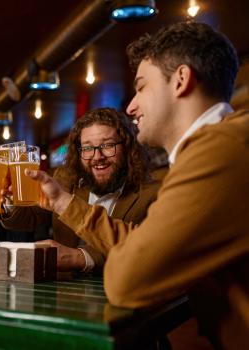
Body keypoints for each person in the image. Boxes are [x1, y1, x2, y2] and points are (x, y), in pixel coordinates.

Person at [24, 22, 248, 349]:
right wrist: (62, 203)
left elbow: (126, 281)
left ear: (181, 81)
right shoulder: (226, 142)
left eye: (141, 87)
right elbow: (147, 244)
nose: (131, 107)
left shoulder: (219, 150)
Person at [0, 108, 163, 272]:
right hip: (64, 292)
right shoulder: (66, 180)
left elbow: (146, 249)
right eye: (87, 148)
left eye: (107, 145)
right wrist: (9, 202)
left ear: (127, 148)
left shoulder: (154, 194)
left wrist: (79, 257)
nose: (97, 156)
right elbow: (29, 218)